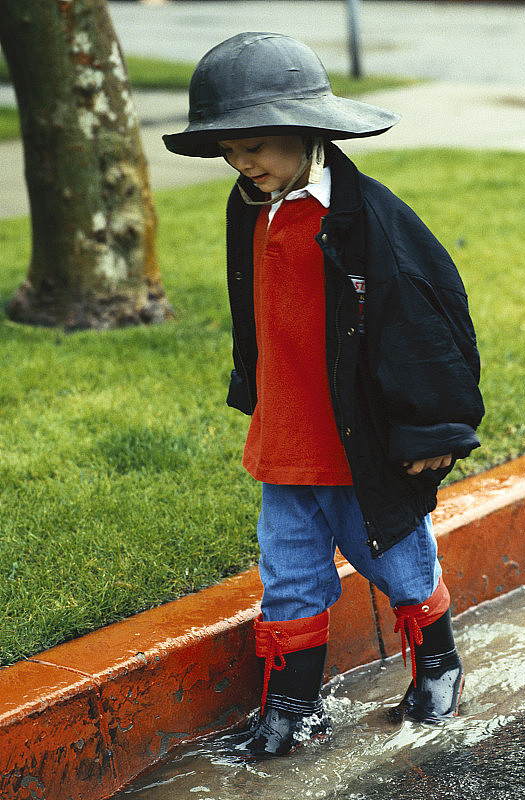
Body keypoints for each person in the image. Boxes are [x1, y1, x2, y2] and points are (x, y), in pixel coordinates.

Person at [163, 32, 484, 759]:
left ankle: (437, 663)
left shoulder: (371, 220)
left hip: (358, 433)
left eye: (257, 147)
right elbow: (256, 310)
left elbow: (426, 325)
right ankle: (293, 706)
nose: (244, 163)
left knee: (398, 560)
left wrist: (432, 428)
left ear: (308, 131)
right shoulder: (250, 205)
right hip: (288, 433)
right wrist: (255, 388)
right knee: (289, 570)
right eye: (231, 151)